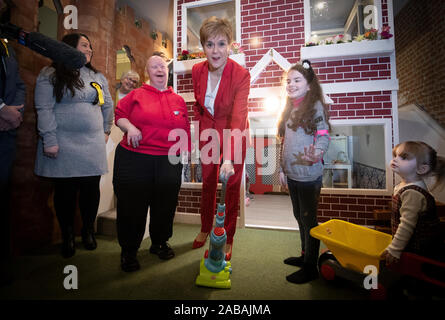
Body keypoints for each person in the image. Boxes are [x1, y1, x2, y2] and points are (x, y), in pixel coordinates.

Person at [34, 33, 113, 258]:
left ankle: (88, 231)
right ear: (68, 48)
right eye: (84, 46)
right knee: (65, 193)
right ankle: (67, 235)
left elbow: (107, 104)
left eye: (91, 47)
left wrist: (106, 129)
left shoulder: (96, 75)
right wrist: (49, 140)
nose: (90, 50)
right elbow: (44, 108)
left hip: (92, 144)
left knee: (90, 190)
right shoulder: (50, 74)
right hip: (62, 144)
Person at [113, 54, 190, 272]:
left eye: (163, 66)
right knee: (132, 207)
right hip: (135, 157)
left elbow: (183, 130)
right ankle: (128, 252)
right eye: (154, 66)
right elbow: (119, 114)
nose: (160, 69)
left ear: (167, 72)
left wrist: (183, 156)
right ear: (148, 72)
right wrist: (130, 128)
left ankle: (159, 243)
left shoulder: (178, 100)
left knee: (165, 205)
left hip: (168, 161)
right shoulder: (136, 94)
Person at [191, 16, 250, 261]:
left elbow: (237, 118)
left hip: (234, 132)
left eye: (221, 44)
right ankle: (206, 227)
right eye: (210, 44)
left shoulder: (241, 75)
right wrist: (200, 133)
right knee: (207, 182)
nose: (215, 51)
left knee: (230, 185)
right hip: (209, 132)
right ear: (203, 46)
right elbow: (199, 105)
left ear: (231, 45)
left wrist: (229, 156)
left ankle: (227, 236)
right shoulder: (197, 70)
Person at [278, 60, 331, 284]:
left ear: (309, 85)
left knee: (309, 221)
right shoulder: (290, 108)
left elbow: (324, 135)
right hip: (292, 175)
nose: (291, 84)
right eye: (288, 81)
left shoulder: (316, 106)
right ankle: (304, 255)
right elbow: (284, 142)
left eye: (296, 80)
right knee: (299, 216)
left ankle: (311, 267)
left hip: (309, 176)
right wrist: (282, 169)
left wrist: (317, 152)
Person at [381, 141, 445, 265]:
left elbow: (406, 225)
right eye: (395, 155)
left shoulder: (413, 193)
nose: (395, 159)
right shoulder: (403, 185)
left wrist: (394, 250)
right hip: (410, 245)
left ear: (421, 168)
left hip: (418, 250)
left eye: (404, 157)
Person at [0, 23, 26, 284]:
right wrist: (0, 108)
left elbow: (18, 84)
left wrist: (13, 111)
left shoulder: (7, 47)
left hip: (6, 134)